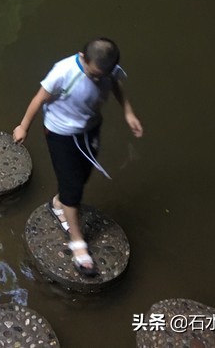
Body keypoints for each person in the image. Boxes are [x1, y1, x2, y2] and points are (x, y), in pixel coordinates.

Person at [12, 37, 143, 277]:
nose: (97, 79)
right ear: (82, 57)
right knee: (73, 189)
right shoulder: (63, 72)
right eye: (93, 75)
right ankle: (77, 242)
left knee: (82, 176)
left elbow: (115, 84)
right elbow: (39, 98)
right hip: (60, 134)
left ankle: (60, 202)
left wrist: (128, 113)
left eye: (101, 76)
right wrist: (23, 126)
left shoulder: (107, 71)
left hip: (89, 130)